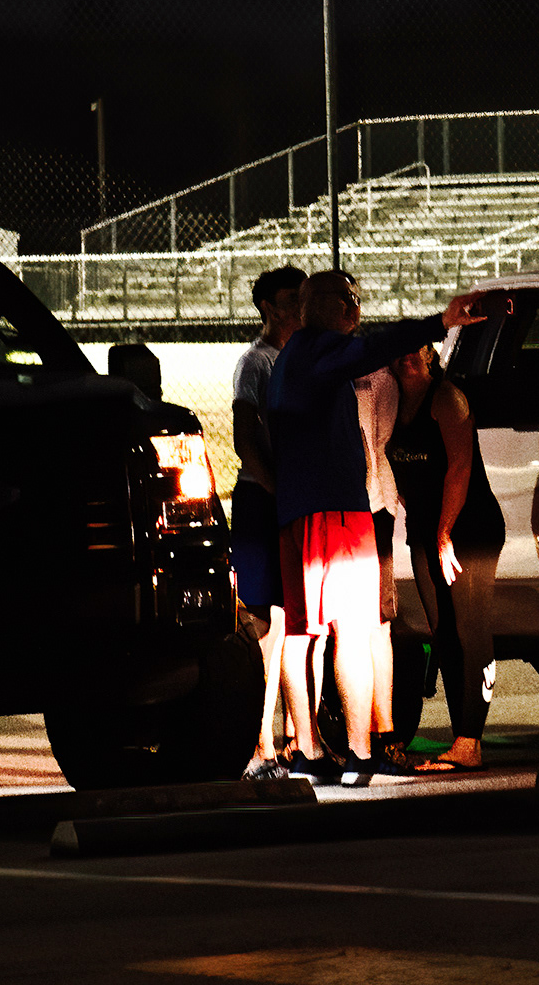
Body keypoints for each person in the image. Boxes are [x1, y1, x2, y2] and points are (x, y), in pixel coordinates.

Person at [267, 271, 487, 785]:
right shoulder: (323, 353)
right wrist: (440, 321)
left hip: (295, 518)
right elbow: (371, 350)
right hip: (339, 515)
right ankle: (362, 753)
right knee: (356, 630)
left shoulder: (286, 363)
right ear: (317, 305)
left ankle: (307, 752)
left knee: (302, 636)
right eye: (348, 300)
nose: (356, 309)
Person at [386, 337, 507, 772]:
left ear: (431, 356)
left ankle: (471, 740)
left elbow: (460, 467)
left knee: (469, 626)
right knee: (443, 630)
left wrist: (444, 533)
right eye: (398, 350)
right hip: (426, 529)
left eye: (414, 349)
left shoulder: (447, 399)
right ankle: (460, 739)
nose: (404, 356)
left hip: (467, 527)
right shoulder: (391, 401)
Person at [230, 264, 306, 777]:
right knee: (265, 624)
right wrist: (276, 487)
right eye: (290, 301)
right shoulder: (256, 363)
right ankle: (260, 743)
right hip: (263, 501)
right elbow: (243, 435)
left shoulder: (301, 359)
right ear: (268, 309)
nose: (299, 310)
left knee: (292, 622)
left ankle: (298, 736)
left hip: (292, 500)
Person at [355, 353, 405, 771]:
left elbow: (379, 442)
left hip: (370, 503)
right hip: (363, 502)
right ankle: (371, 734)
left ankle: (382, 732)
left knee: (375, 623)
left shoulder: (374, 377)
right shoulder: (372, 376)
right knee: (363, 627)